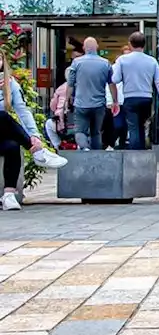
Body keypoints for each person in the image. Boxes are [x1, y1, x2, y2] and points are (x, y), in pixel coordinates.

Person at [1, 74, 69, 211]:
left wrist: (34, 135)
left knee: (13, 146)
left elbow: (23, 111)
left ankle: (8, 195)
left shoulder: (9, 83)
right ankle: (38, 152)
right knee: (2, 116)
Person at [112, 32, 159, 150]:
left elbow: (115, 79)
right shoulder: (152, 61)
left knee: (133, 128)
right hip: (146, 98)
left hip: (130, 97)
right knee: (142, 127)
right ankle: (142, 154)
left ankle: (134, 156)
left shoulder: (122, 60)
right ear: (144, 45)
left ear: (130, 44)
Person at [67, 37, 115, 150]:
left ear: (84, 48)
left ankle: (84, 149)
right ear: (97, 47)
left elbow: (70, 84)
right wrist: (115, 101)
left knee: (79, 131)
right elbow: (112, 84)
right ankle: (96, 157)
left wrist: (66, 100)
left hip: (81, 104)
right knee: (96, 132)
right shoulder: (105, 63)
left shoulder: (76, 63)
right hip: (99, 105)